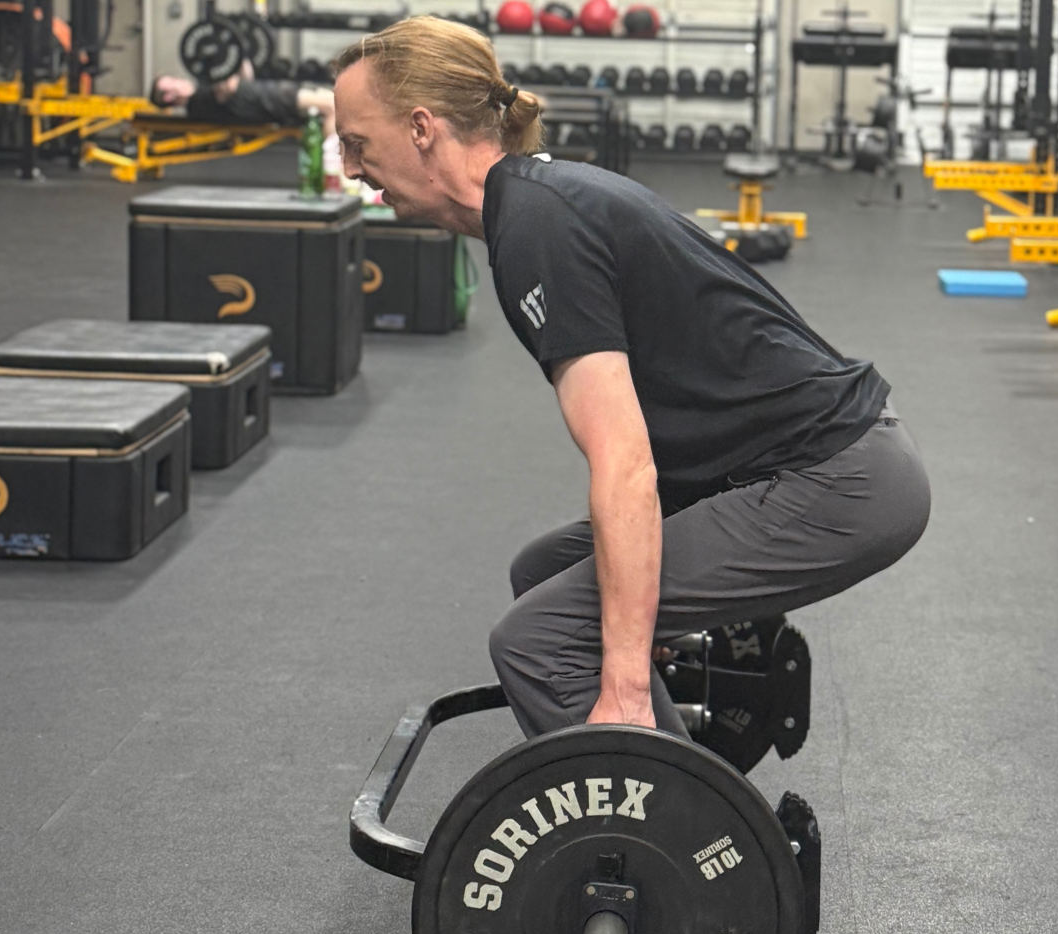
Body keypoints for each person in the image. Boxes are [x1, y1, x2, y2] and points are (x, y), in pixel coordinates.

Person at [329, 17, 931, 738]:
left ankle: (679, 830)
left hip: (836, 482)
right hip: (803, 467)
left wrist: (622, 683)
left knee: (539, 641)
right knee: (542, 574)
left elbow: (625, 463)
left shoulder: (539, 226)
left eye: (357, 144)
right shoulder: (533, 204)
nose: (352, 169)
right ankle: (675, 792)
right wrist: (630, 615)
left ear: (422, 128)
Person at [151, 61, 338, 138]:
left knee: (338, 101)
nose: (178, 80)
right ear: (169, 97)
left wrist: (239, 58)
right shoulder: (197, 103)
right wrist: (227, 62)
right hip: (269, 102)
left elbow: (244, 81)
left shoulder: (202, 87)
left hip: (268, 94)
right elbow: (228, 88)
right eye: (172, 83)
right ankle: (335, 171)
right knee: (333, 106)